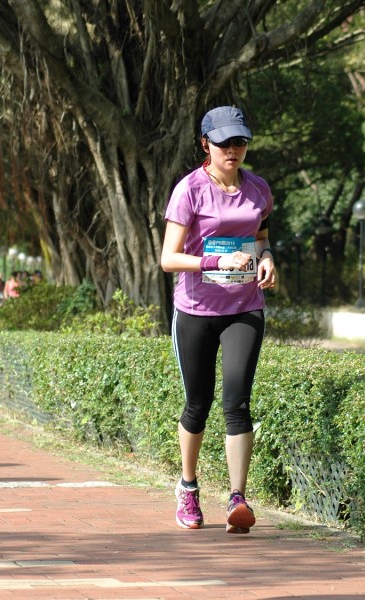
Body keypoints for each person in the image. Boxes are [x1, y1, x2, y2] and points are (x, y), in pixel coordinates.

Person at [161, 106, 275, 534]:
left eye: (240, 142)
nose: (233, 150)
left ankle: (237, 499)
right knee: (198, 403)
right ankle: (188, 487)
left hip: (245, 306)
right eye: (224, 143)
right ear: (205, 144)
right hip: (196, 311)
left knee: (238, 403)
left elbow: (261, 236)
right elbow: (168, 258)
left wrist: (267, 258)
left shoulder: (258, 189)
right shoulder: (189, 190)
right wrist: (215, 261)